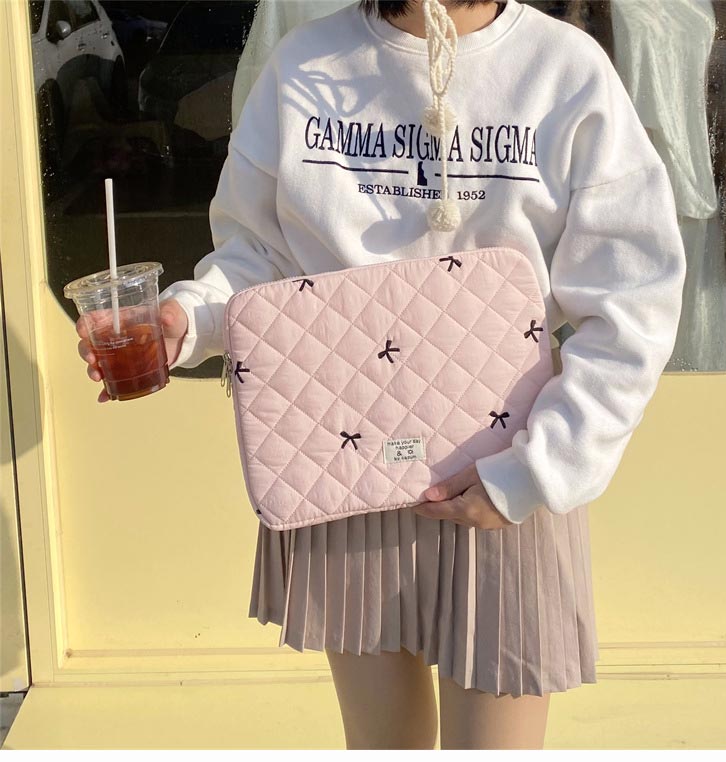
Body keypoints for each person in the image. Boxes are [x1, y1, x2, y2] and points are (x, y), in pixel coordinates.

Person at [76, 0, 687, 750]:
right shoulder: (303, 64)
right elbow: (258, 257)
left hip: (504, 460)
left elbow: (631, 297)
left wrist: (539, 470)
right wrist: (188, 320)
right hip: (341, 461)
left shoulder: (564, 70)